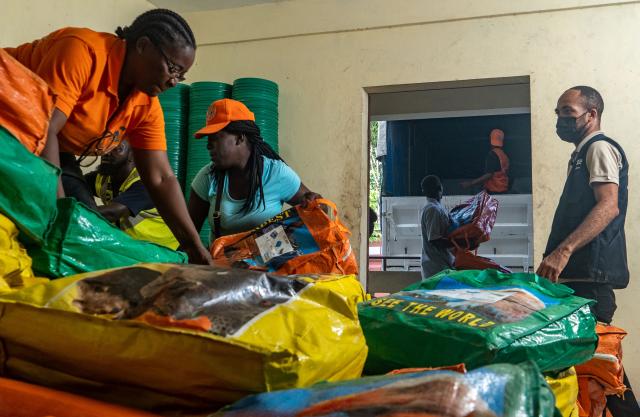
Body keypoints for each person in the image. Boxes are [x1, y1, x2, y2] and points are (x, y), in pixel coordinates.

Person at [3, 9, 210, 264]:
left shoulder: (145, 105)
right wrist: (59, 217)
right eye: (173, 69)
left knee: (85, 228)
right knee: (48, 224)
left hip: (46, 142)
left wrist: (194, 246)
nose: (174, 82)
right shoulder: (81, 51)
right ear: (143, 46)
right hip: (10, 120)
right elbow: (44, 127)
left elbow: (161, 177)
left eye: (181, 75)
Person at [537, 86, 638, 415]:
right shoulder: (582, 153)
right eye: (558, 112)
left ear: (591, 114)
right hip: (579, 277)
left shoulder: (598, 148)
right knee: (592, 363)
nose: (561, 119)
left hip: (590, 279)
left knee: (598, 364)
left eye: (568, 111)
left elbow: (607, 206)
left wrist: (562, 251)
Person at [188, 99, 320, 242]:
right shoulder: (208, 177)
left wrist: (314, 203)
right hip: (221, 263)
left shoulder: (276, 173)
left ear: (239, 138)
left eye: (214, 137)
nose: (208, 146)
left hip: (269, 264)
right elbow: (188, 236)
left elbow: (318, 209)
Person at [85, 140, 178, 249]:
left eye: (117, 148)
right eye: (105, 147)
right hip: (133, 247)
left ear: (132, 155)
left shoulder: (146, 182)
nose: (107, 153)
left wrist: (72, 211)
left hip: (163, 252)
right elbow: (75, 185)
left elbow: (112, 213)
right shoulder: (102, 178)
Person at [420, 175, 454, 280]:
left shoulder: (436, 207)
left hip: (441, 264)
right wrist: (459, 243)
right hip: (436, 267)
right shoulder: (432, 209)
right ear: (440, 188)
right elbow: (435, 240)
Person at [461, 129, 510, 193]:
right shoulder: (504, 155)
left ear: (490, 140)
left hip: (494, 191)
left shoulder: (492, 154)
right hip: (503, 190)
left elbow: (489, 175)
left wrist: (470, 183)